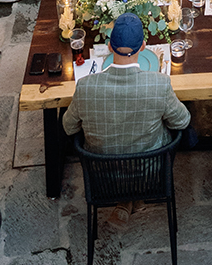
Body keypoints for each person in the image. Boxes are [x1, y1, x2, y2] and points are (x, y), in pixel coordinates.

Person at [62, 12, 190, 159]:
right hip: (150, 170)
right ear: (142, 46)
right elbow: (182, 121)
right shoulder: (160, 84)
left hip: (101, 174)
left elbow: (69, 127)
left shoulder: (84, 87)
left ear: (110, 46)